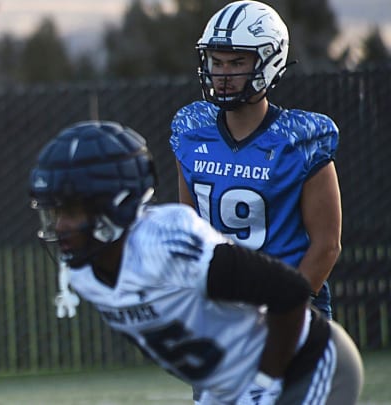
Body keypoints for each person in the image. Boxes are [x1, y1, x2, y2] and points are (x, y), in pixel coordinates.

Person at [28, 120, 363, 404]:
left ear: (113, 203)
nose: (60, 226)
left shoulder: (167, 243)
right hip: (236, 385)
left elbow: (290, 291)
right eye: (55, 212)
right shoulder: (85, 274)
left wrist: (264, 382)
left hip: (307, 363)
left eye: (70, 211)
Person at [170, 0, 341, 319]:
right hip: (220, 307)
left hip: (291, 307)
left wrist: (286, 308)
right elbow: (189, 230)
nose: (223, 74)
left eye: (236, 62)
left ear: (270, 60)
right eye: (216, 62)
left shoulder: (301, 138)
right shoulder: (191, 131)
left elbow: (327, 245)